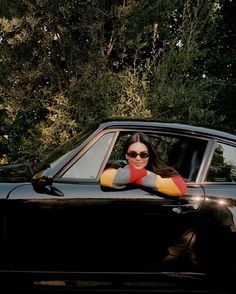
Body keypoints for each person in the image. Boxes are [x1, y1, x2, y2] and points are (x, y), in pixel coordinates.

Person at [100, 132, 187, 197]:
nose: (138, 158)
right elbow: (105, 179)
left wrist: (140, 175)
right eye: (133, 154)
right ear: (126, 155)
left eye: (143, 154)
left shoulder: (159, 169)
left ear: (149, 156)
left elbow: (180, 187)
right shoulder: (119, 165)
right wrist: (144, 173)